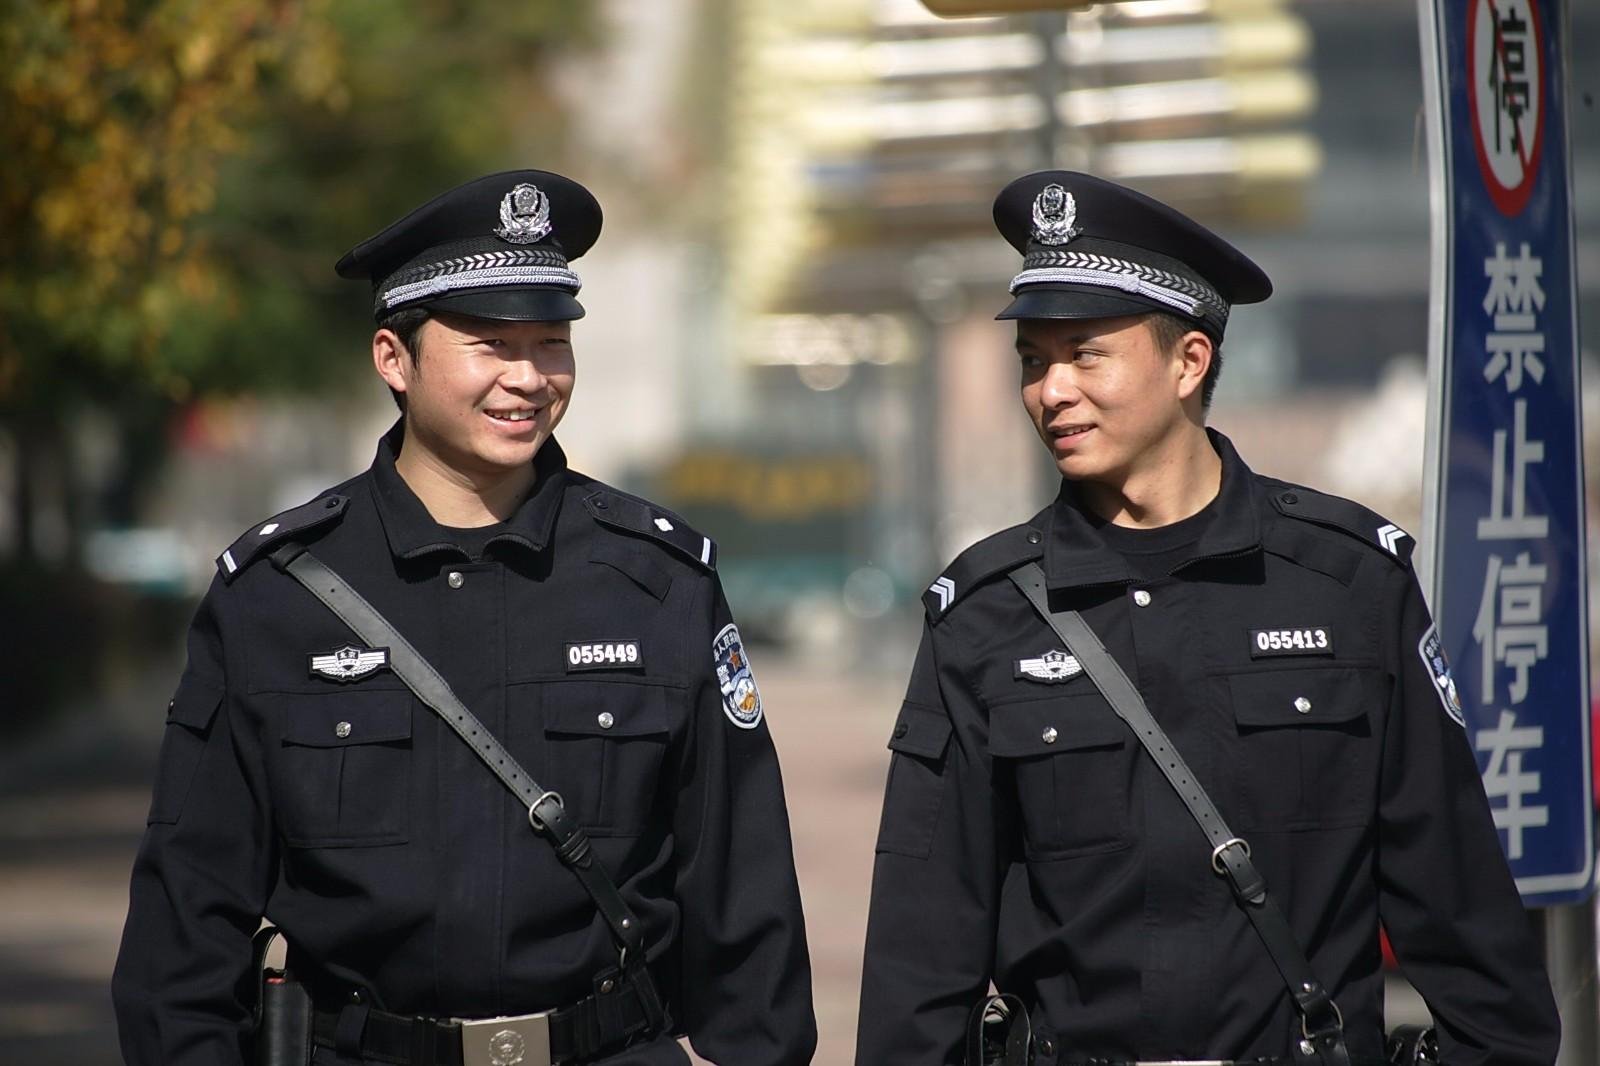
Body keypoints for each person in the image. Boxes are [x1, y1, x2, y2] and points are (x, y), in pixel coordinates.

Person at [113, 170, 817, 1066]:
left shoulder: (657, 578)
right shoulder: (276, 595)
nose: (529, 378)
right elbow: (187, 917)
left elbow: (741, 881)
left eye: (551, 343)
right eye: (490, 344)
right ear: (392, 358)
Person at [855, 171, 1559, 1065]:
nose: (1051, 391)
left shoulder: (1348, 585)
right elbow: (922, 957)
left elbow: (1462, 917)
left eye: (1084, 352)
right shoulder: (984, 615)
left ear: (1189, 361)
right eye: (1034, 360)